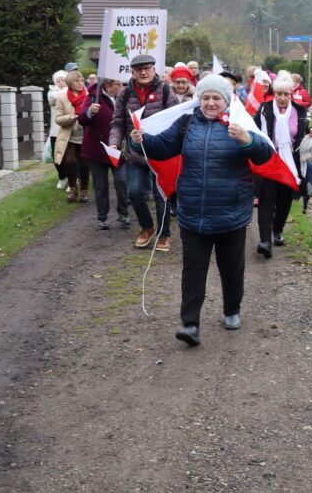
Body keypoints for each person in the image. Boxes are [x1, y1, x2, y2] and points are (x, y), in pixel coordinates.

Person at [130, 74, 272, 346]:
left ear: (226, 101)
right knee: (193, 270)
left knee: (231, 267)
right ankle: (190, 323)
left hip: (231, 212)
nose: (210, 103)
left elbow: (264, 155)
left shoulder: (239, 123)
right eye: (205, 98)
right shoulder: (186, 123)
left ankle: (232, 310)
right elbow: (161, 148)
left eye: (215, 98)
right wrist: (140, 141)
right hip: (193, 212)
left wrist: (247, 140)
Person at [108, 54, 180, 251]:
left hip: (161, 154)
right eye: (138, 69)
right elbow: (117, 123)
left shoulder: (166, 90)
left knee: (161, 195)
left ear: (154, 70)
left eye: (147, 68)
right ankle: (147, 227)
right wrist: (113, 143)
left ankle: (164, 235)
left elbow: (176, 120)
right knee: (135, 192)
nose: (143, 72)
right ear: (132, 72)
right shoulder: (124, 94)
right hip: (136, 155)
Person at [252, 74, 312, 258]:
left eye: (286, 94)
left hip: (290, 164)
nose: (282, 98)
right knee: (266, 200)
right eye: (278, 94)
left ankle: (278, 229)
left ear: (291, 94)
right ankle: (265, 241)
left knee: (284, 200)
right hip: (269, 162)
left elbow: (303, 131)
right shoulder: (265, 110)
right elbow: (254, 129)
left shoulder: (299, 111)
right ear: (274, 94)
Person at [81, 78, 129, 229]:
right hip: (97, 150)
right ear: (108, 86)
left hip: (118, 150)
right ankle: (102, 218)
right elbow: (82, 120)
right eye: (118, 84)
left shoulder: (123, 99)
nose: (121, 87)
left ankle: (123, 213)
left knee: (122, 182)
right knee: (100, 186)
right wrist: (90, 112)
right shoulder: (92, 98)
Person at [52, 70, 90, 203]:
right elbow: (57, 119)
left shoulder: (89, 95)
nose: (80, 83)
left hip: (86, 135)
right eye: (77, 81)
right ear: (70, 83)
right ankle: (73, 188)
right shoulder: (62, 97)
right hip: (69, 136)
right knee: (69, 161)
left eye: (82, 81)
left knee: (85, 164)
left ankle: (84, 190)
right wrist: (70, 118)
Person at [47, 70, 69, 190]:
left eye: (63, 81)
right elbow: (55, 97)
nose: (60, 83)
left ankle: (73, 179)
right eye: (58, 81)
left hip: (69, 129)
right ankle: (62, 177)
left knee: (70, 157)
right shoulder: (52, 93)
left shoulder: (72, 92)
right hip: (55, 130)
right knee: (56, 156)